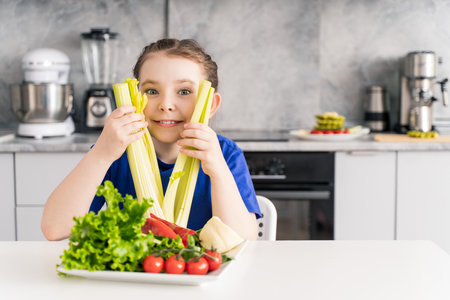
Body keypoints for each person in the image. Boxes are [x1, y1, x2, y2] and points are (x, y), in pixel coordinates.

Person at [41, 38, 261, 241]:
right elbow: (54, 229)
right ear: (135, 97)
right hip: (135, 279)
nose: (165, 104)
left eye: (184, 91)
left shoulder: (225, 154)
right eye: (152, 90)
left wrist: (217, 169)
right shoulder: (114, 152)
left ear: (210, 104)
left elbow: (245, 241)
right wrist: (100, 153)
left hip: (203, 277)